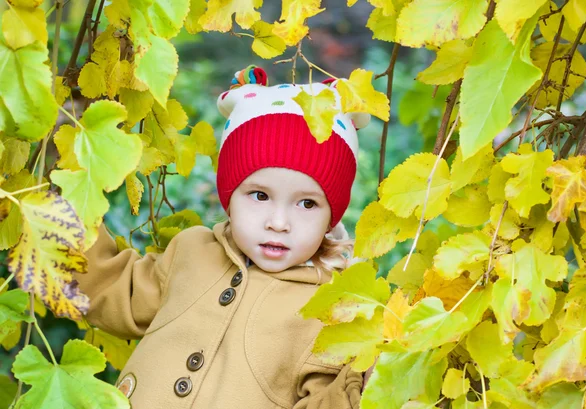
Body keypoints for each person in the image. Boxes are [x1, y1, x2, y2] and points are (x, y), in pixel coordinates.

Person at [75, 65, 371, 408]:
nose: (278, 222)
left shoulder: (328, 309)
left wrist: (365, 381)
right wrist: (66, 222)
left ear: (331, 216)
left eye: (307, 203)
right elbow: (113, 290)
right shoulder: (192, 252)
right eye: (260, 196)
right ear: (229, 197)